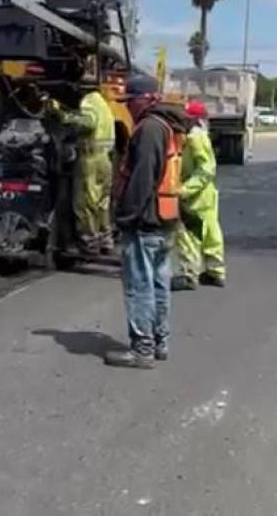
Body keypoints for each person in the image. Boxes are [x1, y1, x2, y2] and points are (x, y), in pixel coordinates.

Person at [105, 73, 188, 369]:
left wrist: (125, 216)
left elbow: (143, 177)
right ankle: (159, 342)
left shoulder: (150, 128)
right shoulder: (167, 125)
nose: (127, 107)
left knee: (140, 285)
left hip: (145, 220)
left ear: (147, 99)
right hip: (163, 217)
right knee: (158, 283)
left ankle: (142, 348)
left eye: (130, 101)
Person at [50, 84, 116, 254]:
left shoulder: (89, 101)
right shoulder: (103, 104)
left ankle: (89, 242)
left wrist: (62, 115)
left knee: (85, 202)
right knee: (102, 202)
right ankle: (105, 239)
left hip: (90, 159)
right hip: (105, 159)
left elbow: (87, 122)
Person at [173, 99, 226, 290]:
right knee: (210, 233)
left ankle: (189, 274)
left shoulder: (194, 138)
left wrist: (184, 189)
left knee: (188, 234)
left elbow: (206, 169)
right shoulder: (200, 136)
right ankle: (215, 272)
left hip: (195, 195)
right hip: (205, 195)